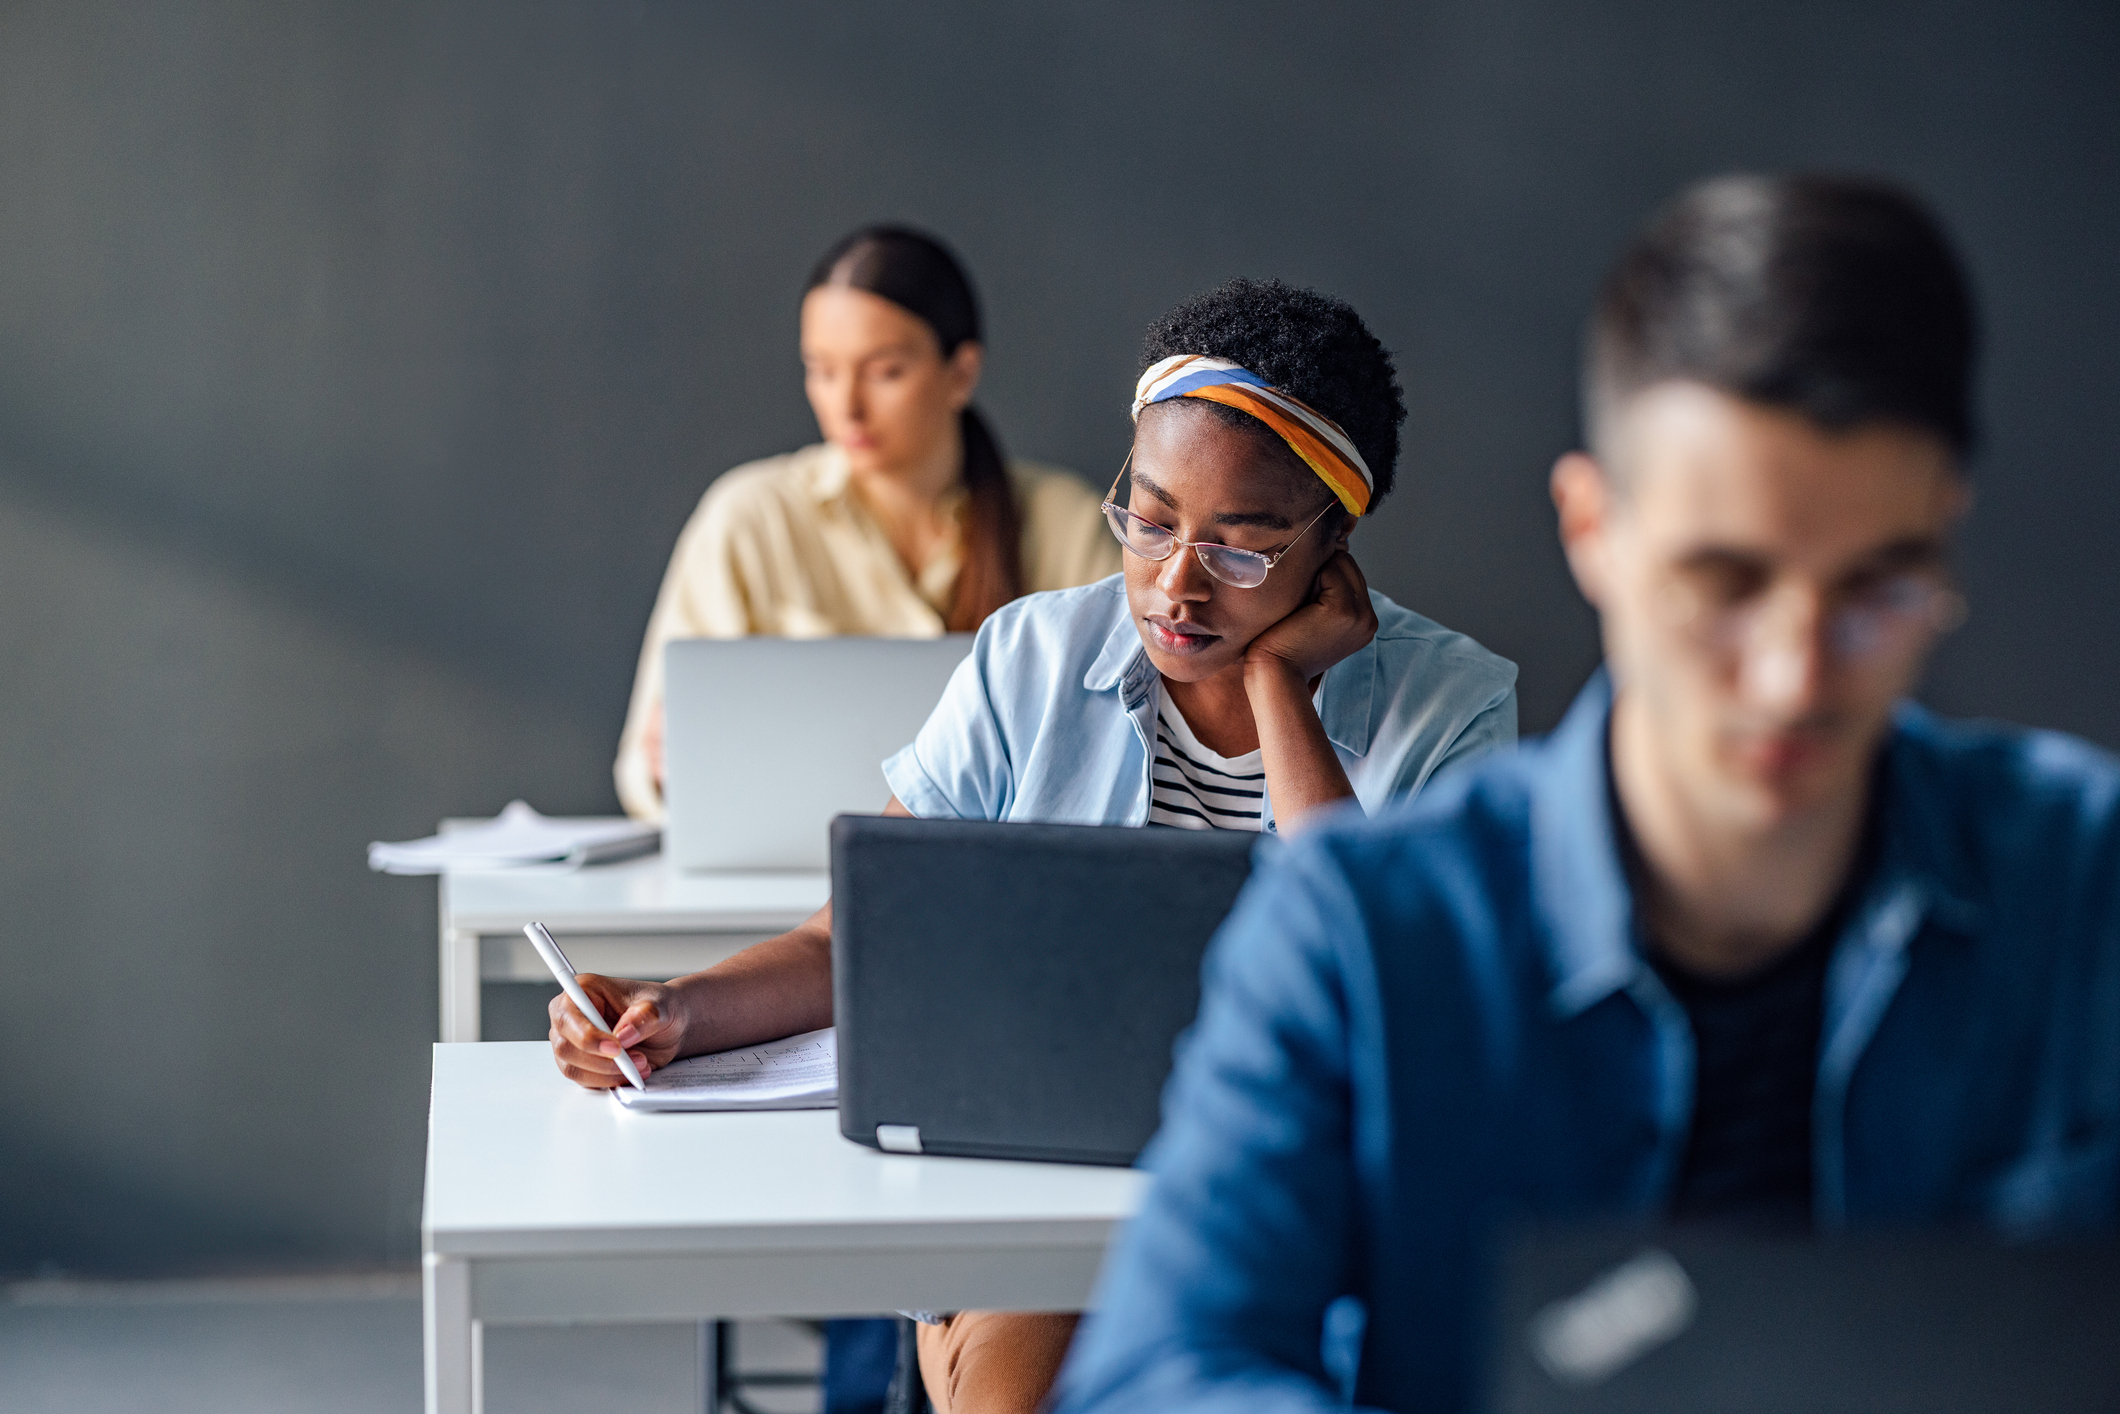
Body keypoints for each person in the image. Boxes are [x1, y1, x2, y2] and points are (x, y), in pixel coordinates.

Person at [1050, 174, 2120, 1414]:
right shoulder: (1363, 928)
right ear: (1592, 528)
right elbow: (1162, 1371)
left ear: (1942, 531)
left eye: (1875, 588)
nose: (1790, 677)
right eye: (1722, 580)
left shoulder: (2082, 878)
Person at [552, 277, 1521, 1412]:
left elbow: (1385, 995)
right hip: (1034, 1202)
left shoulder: (1451, 705)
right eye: (1149, 520)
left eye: (1243, 548)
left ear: (1333, 539)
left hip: (1301, 1211)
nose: (1175, 586)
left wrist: (1280, 691)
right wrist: (678, 1010)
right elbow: (861, 940)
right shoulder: (1030, 656)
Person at [613, 224, 1119, 821]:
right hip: (781, 879)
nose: (845, 405)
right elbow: (639, 777)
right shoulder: (747, 521)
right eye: (821, 370)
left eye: (884, 372)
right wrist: (667, 767)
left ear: (961, 372)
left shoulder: (1067, 525)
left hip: (1007, 882)